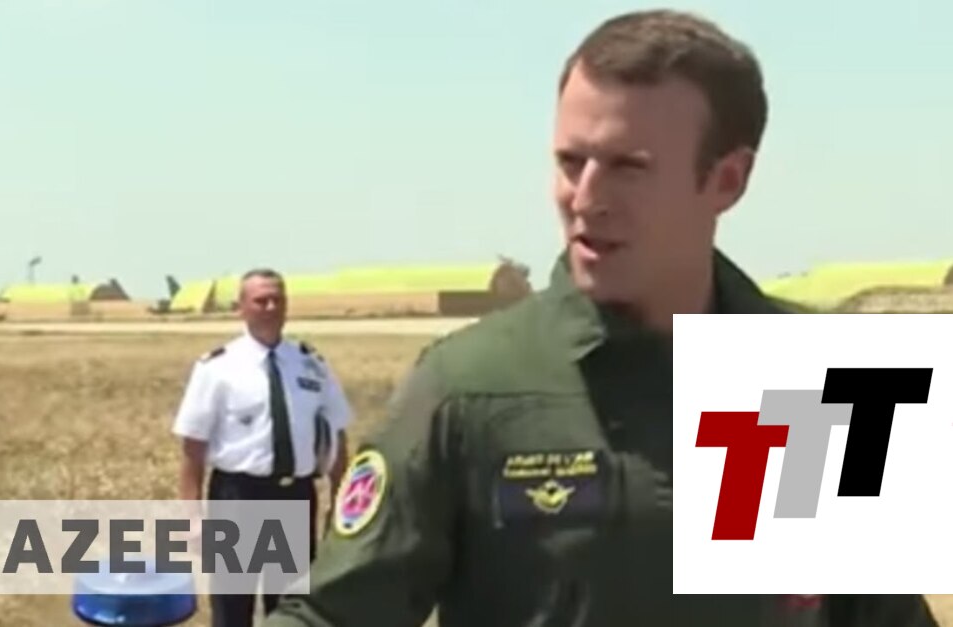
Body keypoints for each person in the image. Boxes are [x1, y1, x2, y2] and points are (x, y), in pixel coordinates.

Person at [263, 9, 939, 627]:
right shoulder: (472, 387)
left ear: (727, 180)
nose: (585, 199)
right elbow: (333, 616)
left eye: (627, 167)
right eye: (570, 161)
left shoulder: (815, 377)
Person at [172, 267, 353, 627]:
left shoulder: (310, 364)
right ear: (241, 307)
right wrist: (192, 518)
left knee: (291, 610)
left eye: (277, 300)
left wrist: (339, 503)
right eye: (261, 300)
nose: (270, 307)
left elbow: (336, 437)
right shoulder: (218, 368)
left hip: (294, 497)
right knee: (232, 609)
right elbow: (193, 448)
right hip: (237, 497)